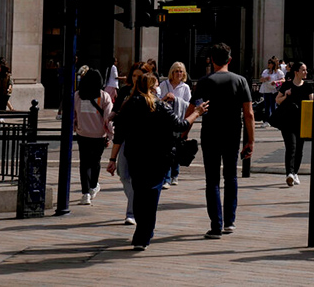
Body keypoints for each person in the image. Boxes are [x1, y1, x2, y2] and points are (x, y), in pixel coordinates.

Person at [107, 73, 207, 250]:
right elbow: (181, 125)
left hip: (135, 156)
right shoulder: (160, 106)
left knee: (139, 192)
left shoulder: (129, 105)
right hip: (158, 157)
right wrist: (196, 113)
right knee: (151, 195)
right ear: (153, 88)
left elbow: (120, 133)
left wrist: (113, 158)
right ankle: (143, 235)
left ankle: (142, 231)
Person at [189, 43, 254, 239]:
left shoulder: (204, 81)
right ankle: (230, 221)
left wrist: (183, 132)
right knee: (231, 176)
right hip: (233, 133)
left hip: (210, 134)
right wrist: (250, 141)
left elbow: (192, 109)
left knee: (212, 180)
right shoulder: (240, 81)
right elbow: (249, 114)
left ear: (211, 59)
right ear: (230, 59)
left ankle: (216, 225)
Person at [111, 62, 150, 225]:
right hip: (124, 137)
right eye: (133, 76)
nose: (136, 79)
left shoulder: (148, 94)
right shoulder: (125, 92)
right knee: (122, 174)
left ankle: (132, 212)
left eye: (139, 76)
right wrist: (109, 116)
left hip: (143, 141)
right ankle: (137, 202)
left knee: (135, 177)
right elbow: (116, 109)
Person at [73, 69, 113, 205]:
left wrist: (75, 127)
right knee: (95, 162)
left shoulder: (77, 95)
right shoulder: (104, 96)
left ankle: (85, 193)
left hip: (83, 133)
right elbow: (108, 118)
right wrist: (110, 135)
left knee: (84, 163)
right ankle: (93, 186)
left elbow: (74, 115)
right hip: (98, 135)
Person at [275, 62, 313, 187]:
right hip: (288, 121)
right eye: (303, 70)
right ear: (296, 72)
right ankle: (289, 173)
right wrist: (286, 95)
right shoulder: (287, 85)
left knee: (299, 149)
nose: (305, 72)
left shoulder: (307, 87)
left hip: (302, 122)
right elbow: (278, 100)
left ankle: (295, 172)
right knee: (291, 147)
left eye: (306, 70)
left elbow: (312, 102)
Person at [159, 62, 192, 188]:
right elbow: (158, 100)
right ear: (171, 73)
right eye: (176, 71)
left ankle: (175, 174)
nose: (178, 74)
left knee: (177, 148)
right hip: (166, 121)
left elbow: (188, 105)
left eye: (181, 71)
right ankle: (166, 178)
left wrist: (177, 100)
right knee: (167, 149)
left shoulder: (185, 87)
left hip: (179, 120)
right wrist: (166, 98)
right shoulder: (164, 85)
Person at [259, 59, 284, 128]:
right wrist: (265, 79)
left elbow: (283, 80)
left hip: (274, 90)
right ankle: (266, 120)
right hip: (266, 89)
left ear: (273, 64)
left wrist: (276, 82)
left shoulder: (278, 72)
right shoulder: (266, 71)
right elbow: (261, 79)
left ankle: (274, 120)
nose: (268, 64)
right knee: (267, 106)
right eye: (268, 63)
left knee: (273, 106)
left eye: (270, 63)